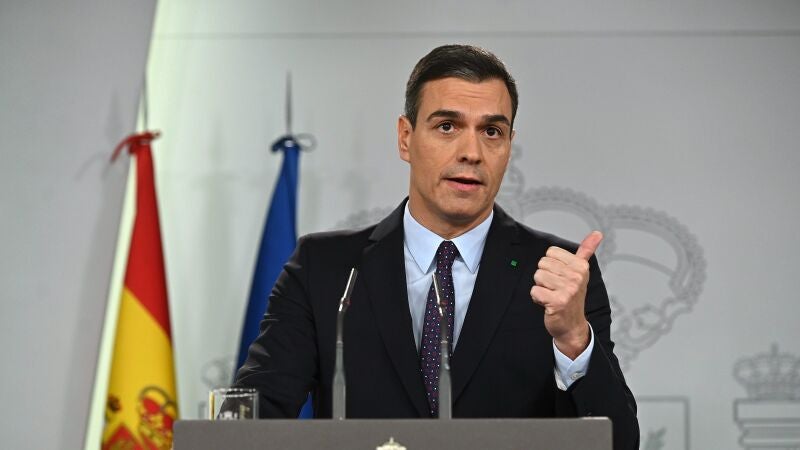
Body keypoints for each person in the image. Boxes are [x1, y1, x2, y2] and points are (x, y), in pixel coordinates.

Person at [235, 44, 639, 449]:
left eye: (492, 132)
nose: (472, 153)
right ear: (405, 138)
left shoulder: (559, 275)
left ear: (509, 147)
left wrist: (573, 339)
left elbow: (618, 442)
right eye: (447, 126)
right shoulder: (324, 269)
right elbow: (247, 425)